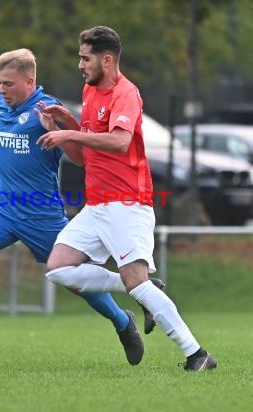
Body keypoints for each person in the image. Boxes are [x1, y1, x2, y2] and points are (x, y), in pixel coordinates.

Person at [0, 48, 145, 364]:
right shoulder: (3, 102)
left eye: (8, 84)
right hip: (1, 209)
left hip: (41, 214)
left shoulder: (47, 109)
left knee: (75, 281)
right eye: (0, 83)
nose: (2, 90)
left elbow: (80, 158)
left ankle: (122, 322)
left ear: (29, 81)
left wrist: (59, 132)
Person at [36, 26, 217, 372]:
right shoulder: (90, 93)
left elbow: (119, 142)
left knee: (137, 282)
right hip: (98, 204)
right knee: (58, 268)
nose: (79, 64)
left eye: (85, 58)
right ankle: (135, 287)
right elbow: (84, 157)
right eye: (79, 57)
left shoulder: (126, 94)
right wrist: (62, 127)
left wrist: (70, 131)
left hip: (126, 203)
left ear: (107, 59)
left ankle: (197, 354)